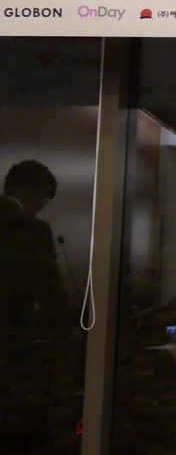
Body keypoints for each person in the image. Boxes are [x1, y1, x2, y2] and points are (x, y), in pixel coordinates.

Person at [0, 160, 72, 451]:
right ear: (36, 192)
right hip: (11, 347)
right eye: (44, 200)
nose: (41, 208)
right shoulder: (31, 230)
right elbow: (50, 293)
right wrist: (68, 327)